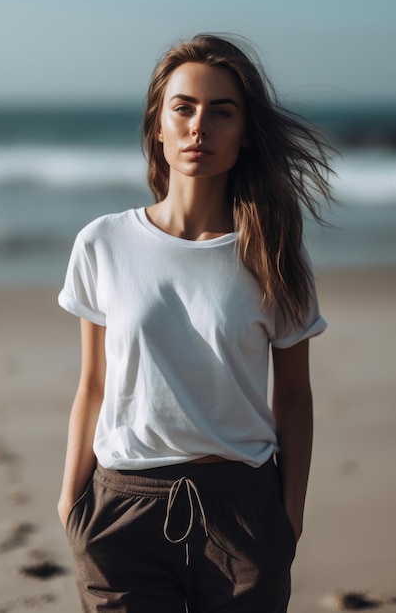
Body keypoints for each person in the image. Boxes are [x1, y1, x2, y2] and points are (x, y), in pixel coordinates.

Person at [57, 33, 333, 612]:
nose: (199, 126)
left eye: (221, 112)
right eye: (183, 108)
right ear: (158, 125)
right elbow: (93, 384)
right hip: (120, 508)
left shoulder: (272, 253)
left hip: (243, 512)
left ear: (245, 132)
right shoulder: (103, 243)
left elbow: (294, 399)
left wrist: (290, 518)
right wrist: (70, 503)